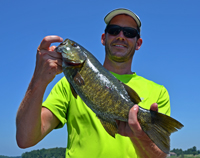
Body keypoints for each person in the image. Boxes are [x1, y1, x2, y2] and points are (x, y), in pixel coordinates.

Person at [16, 8, 170, 158]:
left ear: (138, 43)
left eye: (129, 33)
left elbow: (160, 155)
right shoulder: (67, 84)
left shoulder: (158, 91)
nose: (121, 36)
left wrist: (139, 135)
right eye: (114, 30)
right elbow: (25, 139)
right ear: (104, 38)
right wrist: (38, 80)